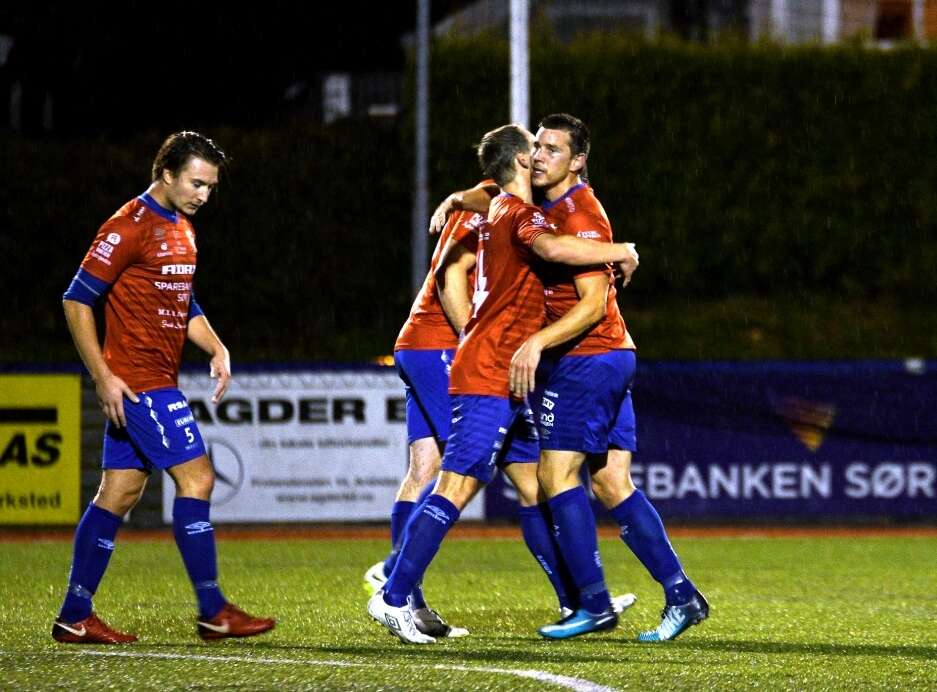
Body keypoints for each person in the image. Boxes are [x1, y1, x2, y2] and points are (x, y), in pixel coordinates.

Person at [367, 123, 640, 644]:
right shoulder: (517, 214)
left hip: (504, 370)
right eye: (534, 149)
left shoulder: (495, 207)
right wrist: (619, 249)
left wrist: (458, 196)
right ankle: (395, 591)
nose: (540, 156)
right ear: (519, 162)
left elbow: (497, 206)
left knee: (523, 481)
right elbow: (553, 250)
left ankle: (581, 599)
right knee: (454, 483)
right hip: (484, 366)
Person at [447, 114, 709, 642]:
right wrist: (456, 199)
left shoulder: (581, 214)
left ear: (578, 161)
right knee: (611, 483)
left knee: (554, 476)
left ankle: (593, 602)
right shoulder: (541, 204)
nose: (539, 156)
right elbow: (493, 196)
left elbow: (592, 305)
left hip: (587, 357)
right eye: (537, 146)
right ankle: (682, 595)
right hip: (608, 355)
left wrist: (537, 342)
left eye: (553, 149)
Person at [54, 131, 275, 644]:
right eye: (196, 183)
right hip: (139, 384)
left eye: (211, 187)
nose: (204, 195)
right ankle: (213, 610)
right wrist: (103, 376)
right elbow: (76, 299)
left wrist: (216, 347)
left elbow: (182, 301)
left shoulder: (183, 228)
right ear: (167, 174)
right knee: (198, 479)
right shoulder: (128, 226)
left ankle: (74, 615)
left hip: (156, 378)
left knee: (119, 492)